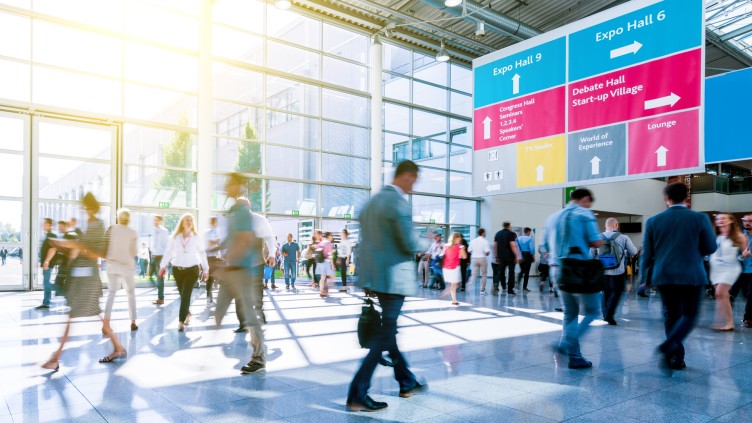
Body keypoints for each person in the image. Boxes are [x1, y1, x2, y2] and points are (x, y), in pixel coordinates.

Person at [348, 161, 425, 412]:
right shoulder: (398, 204)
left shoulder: (372, 203)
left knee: (388, 333)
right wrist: (429, 243)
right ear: (406, 176)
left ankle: (406, 382)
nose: (414, 185)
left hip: (374, 278)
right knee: (383, 336)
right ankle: (358, 393)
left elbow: (368, 243)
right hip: (393, 280)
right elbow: (409, 243)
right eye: (413, 179)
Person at [42, 193, 127, 370]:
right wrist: (68, 246)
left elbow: (95, 252)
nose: (84, 209)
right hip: (84, 278)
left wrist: (73, 245)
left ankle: (55, 358)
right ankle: (118, 347)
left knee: (73, 317)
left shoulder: (96, 225)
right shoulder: (91, 224)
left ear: (90, 207)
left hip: (86, 280)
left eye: (85, 206)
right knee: (92, 315)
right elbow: (84, 248)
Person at [641, 182, 716, 371]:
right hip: (692, 274)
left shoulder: (653, 221)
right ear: (687, 199)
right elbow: (711, 247)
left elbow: (647, 253)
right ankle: (669, 347)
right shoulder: (699, 218)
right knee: (690, 315)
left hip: (664, 275)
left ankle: (676, 357)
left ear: (666, 199)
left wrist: (644, 279)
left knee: (671, 315)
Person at [542, 188, 603, 369]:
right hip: (579, 269)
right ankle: (565, 345)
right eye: (588, 202)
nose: (588, 205)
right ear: (585, 198)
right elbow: (596, 241)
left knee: (570, 314)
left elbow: (544, 246)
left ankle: (575, 357)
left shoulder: (552, 217)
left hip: (557, 270)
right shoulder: (584, 213)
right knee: (593, 311)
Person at [214, 174, 266, 373]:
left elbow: (244, 240)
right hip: (232, 269)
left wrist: (230, 262)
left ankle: (259, 358)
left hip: (242, 270)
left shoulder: (242, 212)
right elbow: (231, 239)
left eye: (230, 184)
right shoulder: (233, 211)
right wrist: (215, 249)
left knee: (249, 314)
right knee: (219, 313)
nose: (226, 187)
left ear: (238, 187)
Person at [161, 213, 209, 331]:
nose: (189, 222)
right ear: (182, 223)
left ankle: (181, 321)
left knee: (186, 295)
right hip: (177, 270)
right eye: (187, 220)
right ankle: (187, 313)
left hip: (192, 269)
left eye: (191, 220)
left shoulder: (196, 237)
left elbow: (202, 253)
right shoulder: (175, 237)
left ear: (193, 224)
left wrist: (206, 269)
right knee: (183, 296)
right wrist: (162, 266)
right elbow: (168, 252)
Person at [709, 213, 747, 331]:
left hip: (730, 268)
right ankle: (726, 322)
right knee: (721, 295)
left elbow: (744, 253)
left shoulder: (738, 236)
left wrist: (746, 254)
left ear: (731, 220)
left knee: (721, 293)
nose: (720, 220)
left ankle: (728, 322)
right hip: (715, 268)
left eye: (723, 218)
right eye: (718, 219)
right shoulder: (714, 235)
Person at [103, 208, 139, 332]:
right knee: (130, 294)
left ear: (118, 217)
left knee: (111, 294)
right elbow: (134, 252)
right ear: (129, 219)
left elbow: (105, 246)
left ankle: (106, 324)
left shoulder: (112, 229)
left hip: (112, 265)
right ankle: (133, 321)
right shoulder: (132, 232)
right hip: (126, 266)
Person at [598, 218, 638, 326]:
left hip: (602, 272)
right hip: (618, 272)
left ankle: (605, 314)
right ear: (616, 225)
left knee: (605, 292)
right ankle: (609, 315)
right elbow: (634, 252)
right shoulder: (623, 237)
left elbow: (590, 254)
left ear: (605, 226)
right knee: (617, 293)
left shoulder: (598, 237)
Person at [730, 214, 752, 328]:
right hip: (737, 270)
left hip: (751, 270)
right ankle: (727, 319)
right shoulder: (737, 236)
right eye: (745, 221)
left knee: (750, 295)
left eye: (750, 221)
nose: (748, 223)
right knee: (730, 295)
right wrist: (741, 256)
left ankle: (748, 318)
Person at [494, 222, 521, 295]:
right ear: (508, 226)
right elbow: (512, 245)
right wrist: (516, 255)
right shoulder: (511, 234)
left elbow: (495, 246)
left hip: (501, 256)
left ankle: (500, 285)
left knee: (501, 271)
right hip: (510, 256)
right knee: (511, 272)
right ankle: (510, 290)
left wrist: (496, 256)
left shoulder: (498, 234)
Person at [36, 218, 57, 309]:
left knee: (46, 282)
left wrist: (47, 261)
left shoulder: (52, 235)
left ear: (50, 225)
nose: (43, 225)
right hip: (46, 263)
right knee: (46, 282)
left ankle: (47, 302)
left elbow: (53, 249)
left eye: (45, 224)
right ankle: (47, 301)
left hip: (48, 263)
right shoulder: (48, 235)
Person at [440, 232, 467, 306]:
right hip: (454, 268)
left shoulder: (445, 246)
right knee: (456, 284)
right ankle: (447, 291)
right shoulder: (459, 247)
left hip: (446, 268)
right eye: (458, 238)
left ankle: (454, 300)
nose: (459, 240)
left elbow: (442, 255)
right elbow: (464, 257)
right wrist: (463, 249)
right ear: (455, 238)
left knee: (454, 284)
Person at [151, 215, 170, 305]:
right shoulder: (153, 231)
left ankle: (161, 298)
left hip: (160, 258)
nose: (155, 221)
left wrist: (166, 260)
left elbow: (167, 246)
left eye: (157, 220)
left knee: (160, 279)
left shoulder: (164, 232)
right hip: (153, 257)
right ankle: (160, 296)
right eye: (154, 220)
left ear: (161, 221)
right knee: (151, 276)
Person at [205, 216, 222, 305]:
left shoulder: (213, 231)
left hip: (213, 258)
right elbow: (209, 243)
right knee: (211, 279)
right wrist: (218, 241)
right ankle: (209, 299)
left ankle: (210, 298)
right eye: (216, 222)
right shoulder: (210, 232)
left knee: (212, 279)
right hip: (210, 258)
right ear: (213, 223)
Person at [467, 228, 491, 294]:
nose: (485, 234)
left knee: (474, 274)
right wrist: (486, 253)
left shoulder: (473, 241)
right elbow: (487, 252)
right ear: (483, 233)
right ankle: (482, 290)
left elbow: (469, 250)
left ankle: (470, 283)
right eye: (485, 232)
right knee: (484, 274)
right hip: (482, 258)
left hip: (474, 258)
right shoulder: (485, 241)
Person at [516, 227, 535, 292]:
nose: (530, 233)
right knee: (527, 272)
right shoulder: (530, 238)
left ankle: (518, 282)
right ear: (528, 232)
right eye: (529, 232)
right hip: (528, 255)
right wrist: (533, 256)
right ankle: (524, 287)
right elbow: (531, 249)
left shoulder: (518, 238)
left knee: (522, 270)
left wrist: (518, 256)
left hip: (521, 255)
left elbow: (517, 247)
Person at [318, 232, 336, 297]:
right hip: (327, 262)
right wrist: (333, 265)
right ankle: (326, 289)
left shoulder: (321, 242)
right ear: (328, 236)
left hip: (320, 262)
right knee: (332, 276)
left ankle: (321, 291)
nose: (332, 237)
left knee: (322, 278)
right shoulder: (329, 243)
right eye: (331, 236)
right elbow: (330, 255)